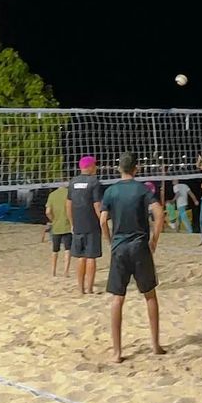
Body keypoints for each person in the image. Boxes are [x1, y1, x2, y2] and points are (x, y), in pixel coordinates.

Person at [100, 151, 164, 362]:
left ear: (119, 168)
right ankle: (155, 345)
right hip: (139, 246)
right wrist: (154, 240)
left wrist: (110, 241)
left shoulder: (110, 191)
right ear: (136, 169)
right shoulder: (142, 189)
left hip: (119, 247)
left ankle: (117, 352)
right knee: (150, 295)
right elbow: (159, 213)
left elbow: (102, 221)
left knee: (118, 299)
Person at [66, 155, 103, 294]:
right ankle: (90, 289)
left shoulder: (72, 182)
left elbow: (68, 204)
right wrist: (103, 222)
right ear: (90, 166)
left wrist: (72, 223)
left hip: (78, 225)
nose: (97, 167)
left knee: (81, 257)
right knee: (91, 257)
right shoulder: (94, 182)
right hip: (92, 225)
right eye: (95, 164)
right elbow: (97, 205)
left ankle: (80, 289)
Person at [45, 182, 73, 277]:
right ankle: (66, 271)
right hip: (67, 225)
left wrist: (53, 219)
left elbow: (48, 212)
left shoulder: (52, 195)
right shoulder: (70, 193)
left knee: (55, 250)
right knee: (67, 249)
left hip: (56, 226)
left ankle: (53, 271)